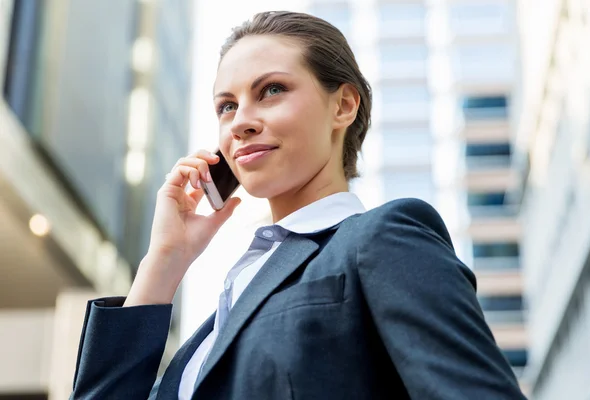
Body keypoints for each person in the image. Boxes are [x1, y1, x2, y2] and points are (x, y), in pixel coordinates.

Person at [70, 11, 527, 400]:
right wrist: (164, 263)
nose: (241, 122)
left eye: (271, 90)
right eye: (226, 106)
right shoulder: (227, 306)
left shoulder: (383, 238)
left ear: (343, 106)